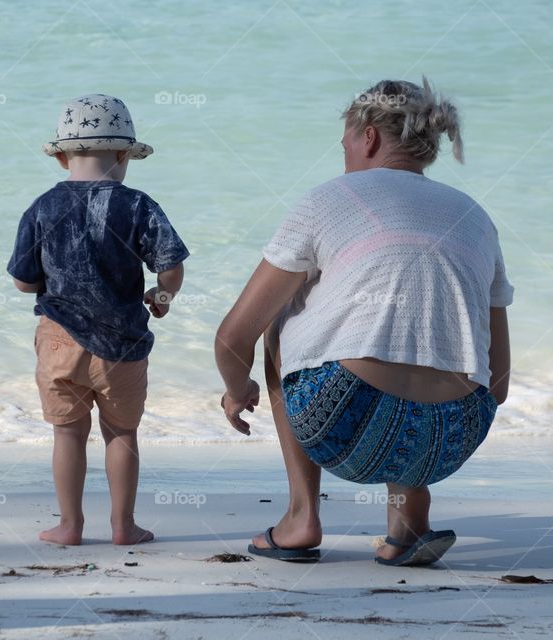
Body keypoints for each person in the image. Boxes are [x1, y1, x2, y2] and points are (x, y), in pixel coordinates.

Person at [215, 77, 513, 566]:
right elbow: (497, 384)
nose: (346, 155)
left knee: (280, 316)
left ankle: (300, 516)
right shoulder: (476, 217)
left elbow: (232, 337)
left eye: (346, 143)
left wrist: (236, 388)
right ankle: (409, 520)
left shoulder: (326, 200)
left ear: (368, 135)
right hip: (453, 437)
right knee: (423, 328)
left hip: (346, 421)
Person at [8, 94, 189, 545]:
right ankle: (123, 526)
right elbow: (170, 267)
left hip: (58, 340)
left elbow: (24, 284)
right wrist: (161, 296)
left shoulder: (42, 208)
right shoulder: (138, 205)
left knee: (67, 434)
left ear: (62, 157)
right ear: (125, 154)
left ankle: (70, 526)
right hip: (122, 342)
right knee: (122, 434)